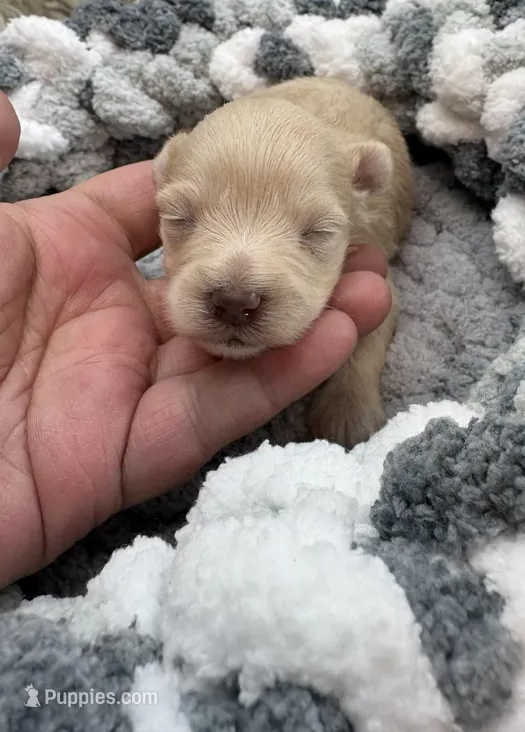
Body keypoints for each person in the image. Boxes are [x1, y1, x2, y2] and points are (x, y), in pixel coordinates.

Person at [0, 91, 391, 589]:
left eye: (314, 233)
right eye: (182, 219)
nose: (235, 294)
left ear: (364, 186)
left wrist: (352, 385)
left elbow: (384, 295)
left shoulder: (361, 174)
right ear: (161, 177)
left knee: (370, 289)